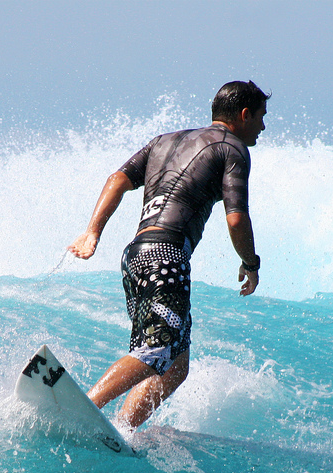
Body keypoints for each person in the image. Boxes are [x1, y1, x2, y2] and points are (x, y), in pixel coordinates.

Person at [68, 80, 269, 429]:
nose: (263, 128)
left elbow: (117, 178)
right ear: (244, 114)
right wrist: (250, 262)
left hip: (135, 257)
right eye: (261, 118)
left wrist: (93, 231)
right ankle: (84, 407)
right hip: (166, 255)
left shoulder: (164, 141)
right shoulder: (232, 148)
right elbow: (236, 218)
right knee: (157, 349)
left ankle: (122, 428)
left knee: (175, 364)